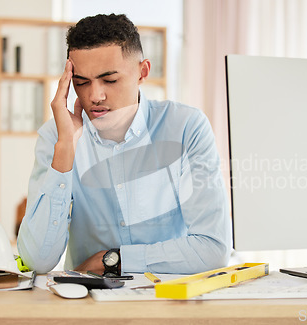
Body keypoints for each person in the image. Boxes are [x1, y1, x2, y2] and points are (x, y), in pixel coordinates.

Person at [17, 13, 232, 275]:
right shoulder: (57, 137)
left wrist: (113, 260)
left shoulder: (186, 127)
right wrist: (65, 149)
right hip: (89, 308)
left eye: (109, 80)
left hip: (170, 305)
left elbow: (213, 249)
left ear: (142, 73)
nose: (95, 96)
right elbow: (37, 262)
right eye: (81, 82)